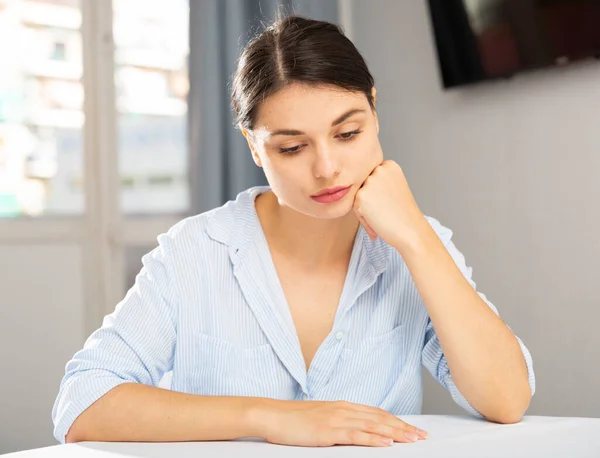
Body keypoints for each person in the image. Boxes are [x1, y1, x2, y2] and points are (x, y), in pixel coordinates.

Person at [52, 15, 535, 448]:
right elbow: (82, 402)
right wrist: (270, 417)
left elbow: (507, 400)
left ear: (374, 110)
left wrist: (415, 237)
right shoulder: (194, 253)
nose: (327, 168)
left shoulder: (417, 245)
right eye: (291, 148)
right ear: (255, 147)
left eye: (348, 134)